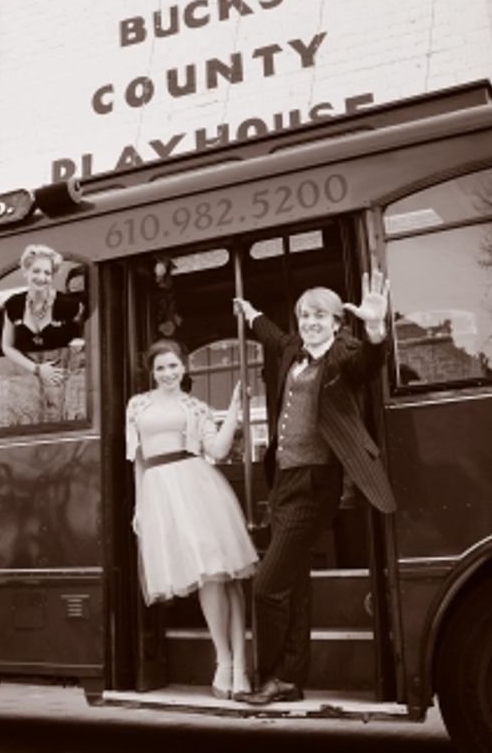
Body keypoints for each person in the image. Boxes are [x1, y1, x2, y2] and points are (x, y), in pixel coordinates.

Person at [231, 273, 396, 705]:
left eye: (320, 315)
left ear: (339, 321)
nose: (310, 322)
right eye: (305, 316)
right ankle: (289, 680)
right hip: (284, 480)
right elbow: (272, 334)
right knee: (294, 585)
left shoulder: (345, 354)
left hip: (316, 483)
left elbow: (370, 366)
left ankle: (273, 675)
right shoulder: (292, 350)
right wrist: (251, 315)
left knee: (267, 585)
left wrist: (377, 329)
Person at [127, 339, 256, 701]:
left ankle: (236, 666)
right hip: (160, 492)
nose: (168, 373)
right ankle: (226, 661)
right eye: (161, 368)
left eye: (174, 366)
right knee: (208, 578)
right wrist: (139, 506)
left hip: (197, 487)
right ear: (152, 372)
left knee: (221, 576)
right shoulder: (137, 405)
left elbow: (216, 450)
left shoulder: (196, 407)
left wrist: (232, 410)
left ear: (184, 367)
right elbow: (138, 459)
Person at [0, 244, 87, 425]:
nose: (41, 278)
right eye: (36, 271)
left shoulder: (69, 305)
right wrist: (37, 369)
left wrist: (78, 347)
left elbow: (86, 336)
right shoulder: (13, 305)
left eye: (47, 273)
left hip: (64, 380)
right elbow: (6, 346)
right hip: (26, 381)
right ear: (26, 272)